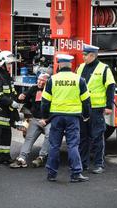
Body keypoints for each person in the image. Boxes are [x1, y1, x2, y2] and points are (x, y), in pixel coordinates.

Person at [41, 54, 91, 183]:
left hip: (56, 117)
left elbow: (45, 101)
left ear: (59, 65)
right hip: (73, 118)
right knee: (73, 145)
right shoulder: (79, 80)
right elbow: (86, 101)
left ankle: (51, 174)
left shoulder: (52, 80)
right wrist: (86, 115)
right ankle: (76, 173)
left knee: (54, 146)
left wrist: (45, 117)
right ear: (70, 65)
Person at [76, 44, 116, 174]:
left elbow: (110, 87)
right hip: (83, 108)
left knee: (97, 137)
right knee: (83, 137)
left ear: (92, 55)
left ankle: (99, 164)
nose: (83, 57)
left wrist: (109, 106)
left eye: (85, 55)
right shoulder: (81, 67)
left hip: (97, 108)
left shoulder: (104, 68)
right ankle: (83, 163)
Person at [10, 73, 51, 168]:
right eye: (39, 80)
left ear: (48, 82)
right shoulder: (34, 88)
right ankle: (21, 159)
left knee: (49, 135)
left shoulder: (53, 90)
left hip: (48, 120)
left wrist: (47, 120)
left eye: (43, 81)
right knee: (29, 137)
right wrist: (21, 96)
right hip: (35, 119)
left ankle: (41, 157)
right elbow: (24, 99)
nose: (40, 83)